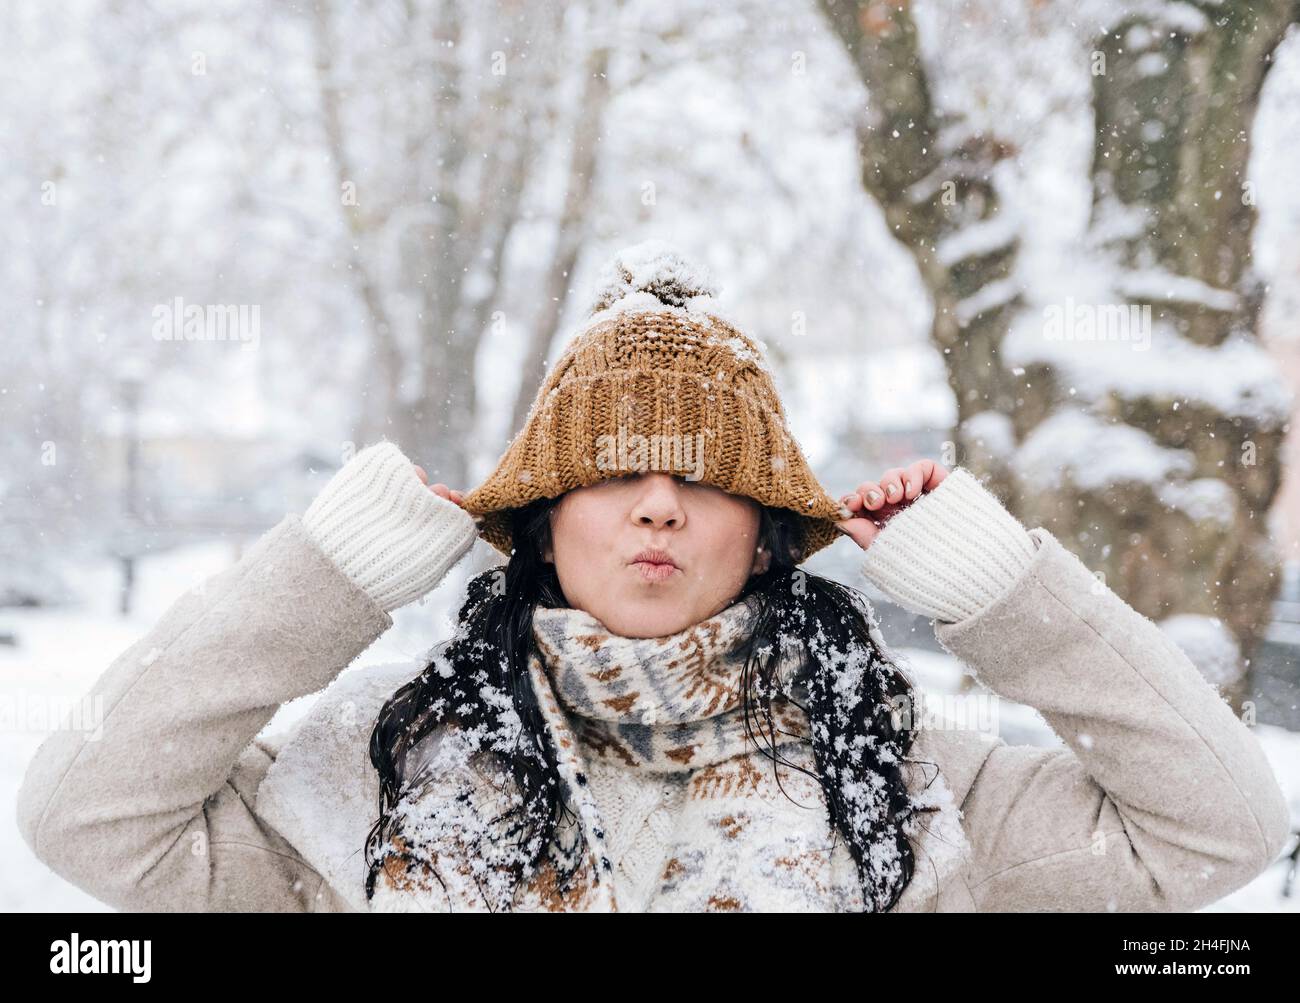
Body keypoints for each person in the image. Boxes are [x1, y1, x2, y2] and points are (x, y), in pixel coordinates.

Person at [17, 240, 1290, 913]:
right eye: (611, 469)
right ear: (538, 517)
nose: (659, 503)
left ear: (772, 527)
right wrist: (329, 576)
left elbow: (1222, 828)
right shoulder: (375, 773)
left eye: (707, 475)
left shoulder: (905, 780)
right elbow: (87, 814)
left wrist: (1003, 590)